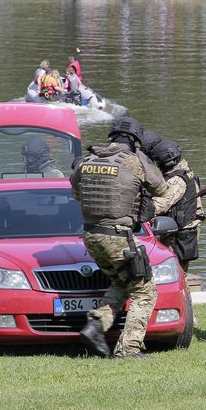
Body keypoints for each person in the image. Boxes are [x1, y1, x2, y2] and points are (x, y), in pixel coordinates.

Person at [70, 116, 168, 359]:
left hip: (91, 236)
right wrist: (141, 157)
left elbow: (76, 193)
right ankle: (129, 349)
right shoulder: (133, 160)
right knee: (144, 292)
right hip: (118, 237)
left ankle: (96, 326)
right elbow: (161, 188)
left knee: (121, 283)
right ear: (135, 140)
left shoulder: (88, 160)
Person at [148, 139, 205, 272]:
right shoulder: (182, 172)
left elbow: (160, 205)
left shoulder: (177, 179)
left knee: (176, 271)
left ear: (166, 161)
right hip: (179, 230)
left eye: (158, 162)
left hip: (180, 233)